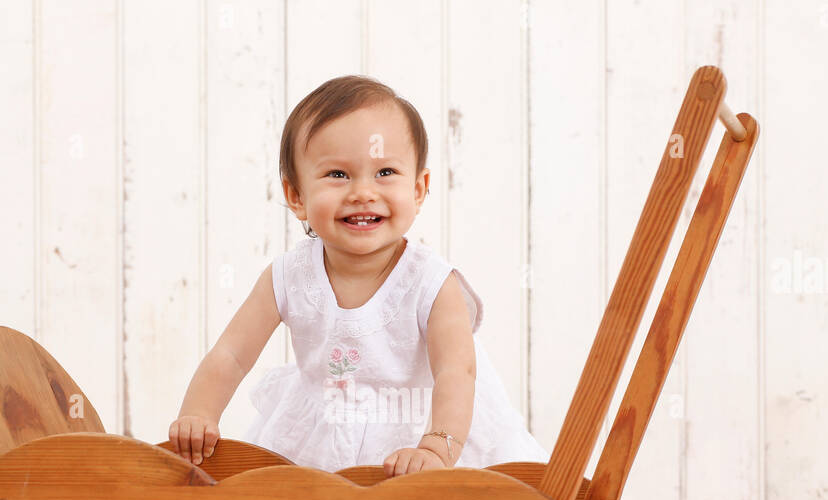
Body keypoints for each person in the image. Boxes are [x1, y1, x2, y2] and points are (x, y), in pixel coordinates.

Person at [169, 74, 549, 477]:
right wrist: (199, 413)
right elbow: (231, 353)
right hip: (324, 424)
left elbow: (457, 371)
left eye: (385, 172)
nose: (363, 192)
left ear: (419, 189)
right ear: (297, 196)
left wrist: (437, 447)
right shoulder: (288, 276)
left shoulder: (433, 284)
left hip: (422, 424)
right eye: (338, 175)